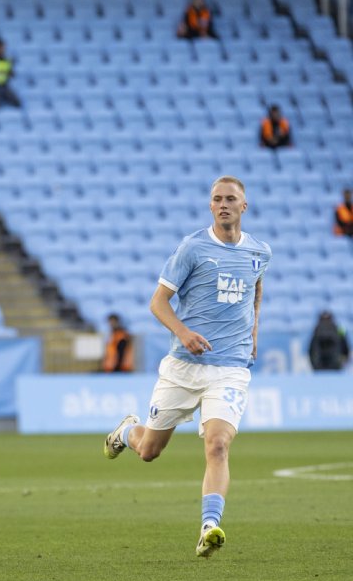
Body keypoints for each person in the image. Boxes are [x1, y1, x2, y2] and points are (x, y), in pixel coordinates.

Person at [104, 176, 270, 559]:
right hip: (184, 366)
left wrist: (254, 334)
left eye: (231, 199)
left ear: (244, 206)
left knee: (218, 444)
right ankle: (126, 431)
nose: (223, 204)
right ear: (210, 206)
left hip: (230, 367)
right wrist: (183, 331)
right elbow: (158, 302)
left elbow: (256, 290)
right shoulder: (192, 248)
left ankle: (209, 527)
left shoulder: (260, 252)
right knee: (149, 450)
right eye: (217, 199)